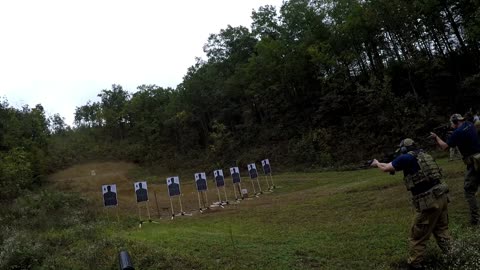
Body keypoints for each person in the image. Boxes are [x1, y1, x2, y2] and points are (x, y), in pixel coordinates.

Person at [371, 138, 450, 269]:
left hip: (429, 202)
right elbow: (394, 165)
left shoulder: (406, 158)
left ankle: (415, 265)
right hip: (442, 196)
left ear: (403, 149)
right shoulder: (424, 155)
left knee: (417, 236)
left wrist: (377, 163)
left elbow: (386, 168)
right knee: (441, 231)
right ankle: (453, 255)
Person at [431, 113, 480, 225]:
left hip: (474, 163)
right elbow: (466, 135)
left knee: (469, 190)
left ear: (455, 122)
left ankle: (475, 219)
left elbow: (444, 147)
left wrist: (436, 137)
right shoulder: (470, 124)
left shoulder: (457, 133)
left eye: (452, 123)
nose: (451, 125)